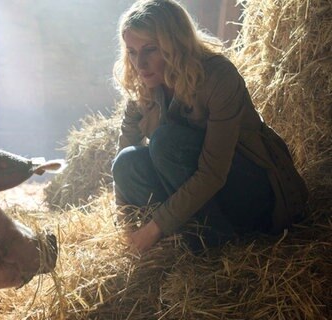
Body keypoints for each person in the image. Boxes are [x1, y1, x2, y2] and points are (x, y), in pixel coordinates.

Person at [110, 0, 308, 254]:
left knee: (166, 142)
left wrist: (153, 229)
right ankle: (187, 237)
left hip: (257, 194)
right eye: (132, 52)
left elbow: (213, 172)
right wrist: (125, 227)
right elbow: (123, 155)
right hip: (202, 199)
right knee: (127, 162)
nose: (140, 64)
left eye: (150, 49)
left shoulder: (218, 77)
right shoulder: (143, 85)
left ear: (175, 44)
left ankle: (213, 245)